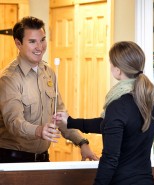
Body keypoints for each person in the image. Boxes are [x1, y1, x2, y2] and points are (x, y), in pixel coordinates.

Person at [54, 41, 154, 185]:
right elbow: (109, 125)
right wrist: (71, 121)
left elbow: (110, 158)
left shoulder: (118, 106)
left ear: (118, 70)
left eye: (111, 64)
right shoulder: (151, 102)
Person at [0, 16, 98, 163]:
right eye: (32, 41)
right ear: (18, 43)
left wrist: (82, 142)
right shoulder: (9, 79)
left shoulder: (48, 73)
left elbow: (60, 116)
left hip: (42, 159)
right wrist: (39, 130)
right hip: (13, 160)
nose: (40, 47)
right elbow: (14, 122)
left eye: (42, 40)